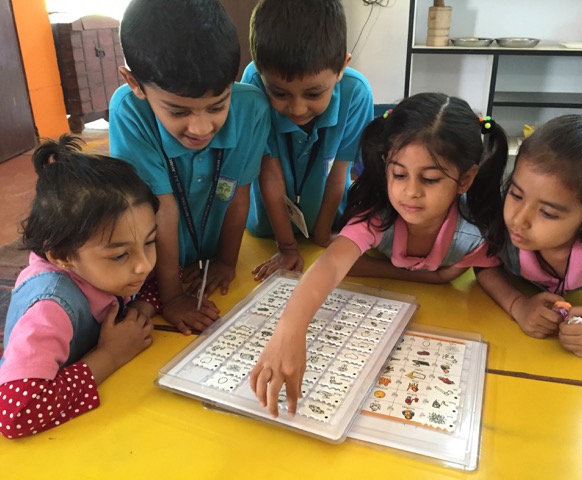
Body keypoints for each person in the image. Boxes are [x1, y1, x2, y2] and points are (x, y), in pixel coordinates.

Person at [250, 93, 509, 416]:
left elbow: (488, 269)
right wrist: (290, 328)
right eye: (399, 174)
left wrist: (519, 305)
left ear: (465, 179)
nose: (410, 191)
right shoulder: (378, 217)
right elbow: (332, 264)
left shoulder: (474, 231)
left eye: (429, 179)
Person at [109, 0, 270, 334]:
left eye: (217, 106)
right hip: (156, 268)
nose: (200, 128)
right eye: (179, 112)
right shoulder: (128, 112)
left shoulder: (251, 107)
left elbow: (240, 195)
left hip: (210, 256)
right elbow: (161, 209)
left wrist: (226, 261)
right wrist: (171, 297)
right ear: (134, 83)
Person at [0, 136, 157, 439]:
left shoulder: (104, 264)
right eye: (121, 254)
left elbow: (159, 279)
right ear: (61, 256)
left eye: (150, 242)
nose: (144, 265)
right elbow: (16, 416)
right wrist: (112, 353)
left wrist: (138, 312)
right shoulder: (50, 307)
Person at [475, 113, 582, 359]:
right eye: (516, 195)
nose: (519, 219)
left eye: (548, 213)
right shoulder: (497, 214)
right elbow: (483, 265)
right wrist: (518, 305)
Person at [241, 0, 374, 281]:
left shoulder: (356, 93)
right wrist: (286, 246)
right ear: (261, 74)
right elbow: (270, 174)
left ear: (341, 67)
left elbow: (339, 175)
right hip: (267, 229)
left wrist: (324, 237)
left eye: (313, 94)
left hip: (328, 221)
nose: (297, 109)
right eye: (279, 93)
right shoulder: (253, 82)